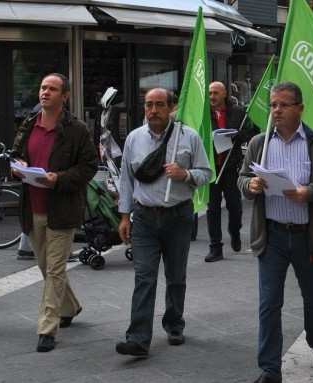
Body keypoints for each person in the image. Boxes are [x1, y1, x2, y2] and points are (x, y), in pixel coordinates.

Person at [238, 82, 313, 383]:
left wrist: (308, 192)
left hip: (307, 237)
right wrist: (251, 185)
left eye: (284, 105)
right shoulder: (260, 143)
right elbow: (243, 177)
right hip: (271, 235)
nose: (277, 110)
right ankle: (270, 368)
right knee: (269, 303)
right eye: (273, 105)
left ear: (300, 108)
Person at [115, 88, 212, 356]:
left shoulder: (188, 137)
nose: (153, 110)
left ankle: (174, 323)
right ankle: (138, 338)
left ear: (171, 107)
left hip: (178, 216)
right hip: (144, 217)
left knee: (175, 276)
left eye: (159, 105)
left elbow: (207, 173)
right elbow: (126, 179)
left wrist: (186, 174)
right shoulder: (134, 138)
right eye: (149, 105)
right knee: (144, 276)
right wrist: (124, 216)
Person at [11, 73, 97, 352]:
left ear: (65, 96)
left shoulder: (77, 129)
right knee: (45, 266)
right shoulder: (28, 123)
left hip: (61, 209)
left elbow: (88, 167)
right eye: (42, 87)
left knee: (55, 268)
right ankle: (70, 306)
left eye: (52, 88)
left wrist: (58, 178)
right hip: (33, 208)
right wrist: (17, 165)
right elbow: (15, 154)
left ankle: (48, 327)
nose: (45, 92)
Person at [205, 81, 259, 263]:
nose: (212, 97)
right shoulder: (204, 115)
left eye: (216, 93)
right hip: (212, 168)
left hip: (231, 168)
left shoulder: (238, 112)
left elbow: (252, 132)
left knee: (234, 206)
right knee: (212, 209)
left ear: (224, 94)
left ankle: (235, 232)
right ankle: (215, 247)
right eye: (210, 93)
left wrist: (235, 136)